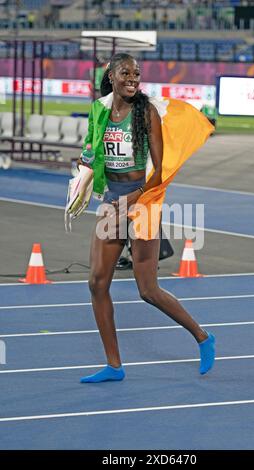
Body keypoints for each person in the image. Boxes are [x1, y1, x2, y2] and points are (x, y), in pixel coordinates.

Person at [78, 53, 215, 383]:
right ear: (111, 76)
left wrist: (133, 200)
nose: (132, 78)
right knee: (97, 283)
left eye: (136, 74)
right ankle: (114, 365)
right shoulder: (99, 110)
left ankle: (202, 337)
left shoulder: (146, 112)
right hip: (112, 199)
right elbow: (91, 150)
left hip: (144, 199)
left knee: (148, 289)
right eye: (126, 72)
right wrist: (81, 176)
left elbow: (160, 171)